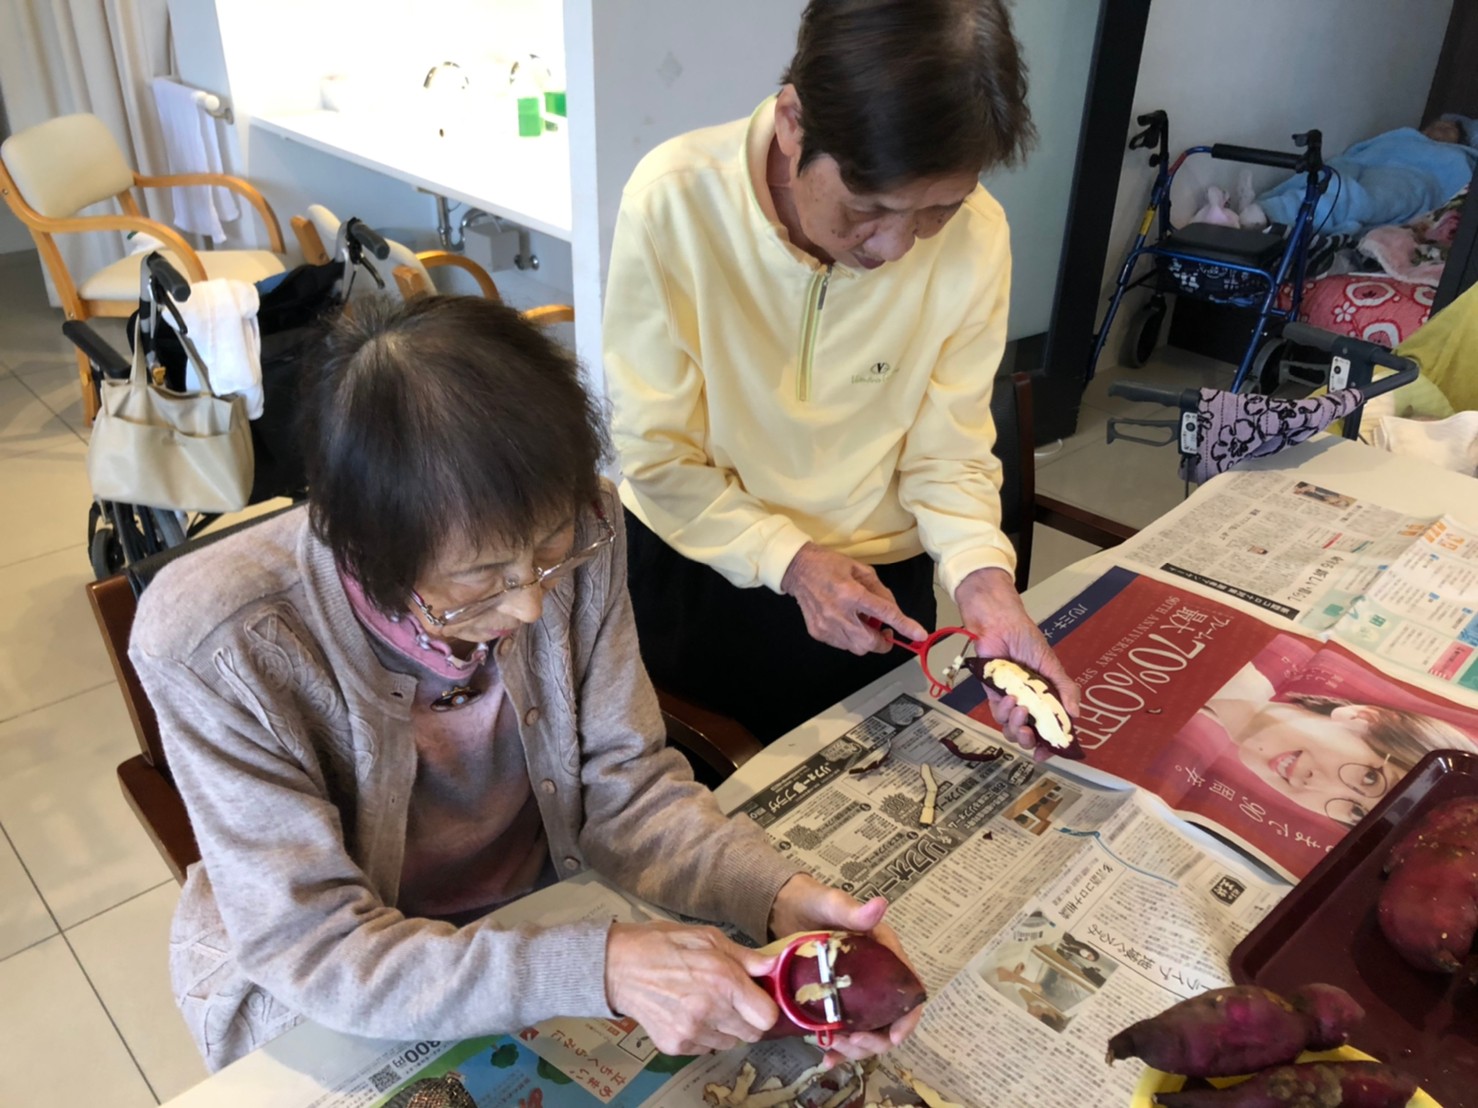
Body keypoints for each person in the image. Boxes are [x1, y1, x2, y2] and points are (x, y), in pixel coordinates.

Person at [130, 296, 922, 1071]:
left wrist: (774, 894)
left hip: (543, 909)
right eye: (480, 578)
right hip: (335, 990)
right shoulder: (213, 640)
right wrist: (600, 968)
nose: (532, 605)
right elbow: (318, 948)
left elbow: (628, 789)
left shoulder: (589, 526)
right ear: (365, 548)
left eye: (548, 553)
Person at [603, 0, 1077, 746]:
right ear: (793, 122)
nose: (895, 247)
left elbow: (948, 453)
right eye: (868, 208)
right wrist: (791, 562)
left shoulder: (979, 236)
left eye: (938, 211)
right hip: (702, 569)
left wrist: (986, 585)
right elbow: (657, 454)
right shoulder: (675, 201)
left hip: (881, 586)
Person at [1194, 662, 1473, 827]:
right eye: (1370, 777)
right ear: (1363, 718)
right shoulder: (1228, 663)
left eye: (1357, 812)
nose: (1314, 785)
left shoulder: (1202, 729)